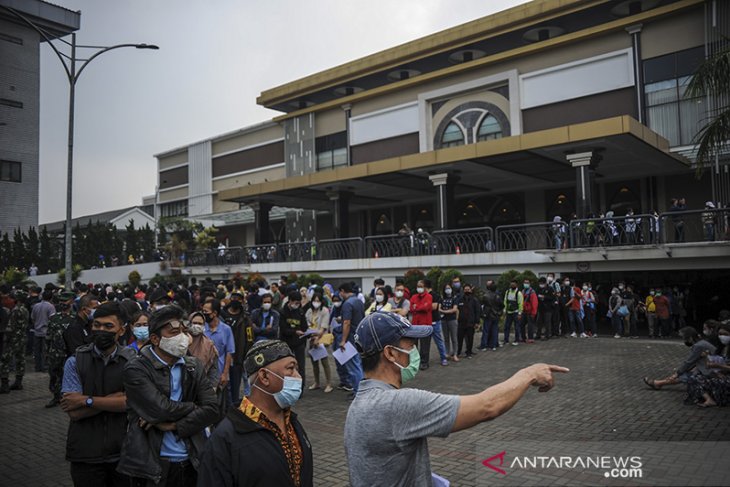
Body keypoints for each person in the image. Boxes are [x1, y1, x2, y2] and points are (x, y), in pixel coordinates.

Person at [345, 312, 568, 486]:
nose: (414, 352)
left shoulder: (360, 403)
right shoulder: (394, 405)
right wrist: (529, 373)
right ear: (391, 353)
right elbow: (487, 406)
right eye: (409, 346)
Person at [118, 305, 218, 486]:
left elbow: (212, 408)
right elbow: (160, 408)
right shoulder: (137, 368)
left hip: (193, 458)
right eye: (174, 332)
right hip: (155, 464)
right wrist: (194, 406)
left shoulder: (193, 366)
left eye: (183, 331)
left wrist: (174, 425)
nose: (182, 337)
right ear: (155, 339)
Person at [197, 340, 313, 486]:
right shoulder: (225, 438)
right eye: (290, 369)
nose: (298, 377)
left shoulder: (292, 423)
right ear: (264, 377)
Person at [60, 301, 136, 487]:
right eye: (97, 325)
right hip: (85, 454)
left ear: (121, 330)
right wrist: (115, 400)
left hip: (124, 453)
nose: (101, 330)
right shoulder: (75, 361)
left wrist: (86, 400)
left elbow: (132, 402)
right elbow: (74, 411)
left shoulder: (132, 361)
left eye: (108, 326)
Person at [643, 326, 716, 390]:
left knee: (685, 375)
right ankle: (659, 383)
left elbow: (689, 362)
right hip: (707, 367)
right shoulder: (701, 343)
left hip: (710, 370)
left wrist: (677, 373)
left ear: (690, 338)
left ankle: (659, 383)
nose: (684, 340)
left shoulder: (698, 346)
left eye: (684, 338)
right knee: (684, 373)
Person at [44, 291, 75, 407]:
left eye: (65, 301)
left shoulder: (74, 318)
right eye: (61, 301)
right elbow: (48, 336)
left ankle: (68, 397)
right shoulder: (53, 318)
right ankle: (56, 396)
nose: (62, 303)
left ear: (71, 302)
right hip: (55, 353)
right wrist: (47, 352)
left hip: (69, 353)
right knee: (54, 374)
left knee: (68, 376)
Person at [0, 290, 30, 394]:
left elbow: (10, 328)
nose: (7, 300)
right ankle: (18, 382)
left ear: (15, 300)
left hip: (13, 339)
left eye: (10, 298)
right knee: (20, 359)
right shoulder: (25, 310)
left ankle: (4, 384)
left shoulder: (15, 311)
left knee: (4, 360)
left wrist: (5, 337)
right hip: (22, 338)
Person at [225, 299, 253, 405]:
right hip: (223, 356)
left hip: (238, 357)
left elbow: (250, 339)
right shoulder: (223, 316)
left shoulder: (245, 319)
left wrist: (246, 355)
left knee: (235, 386)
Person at [338, 282, 365, 395]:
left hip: (350, 338)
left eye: (340, 292)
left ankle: (358, 392)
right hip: (359, 336)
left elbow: (347, 322)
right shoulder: (358, 301)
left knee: (354, 367)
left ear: (343, 291)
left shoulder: (347, 303)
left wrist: (343, 340)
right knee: (358, 364)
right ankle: (358, 390)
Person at [280, 291, 309, 390]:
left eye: (298, 303)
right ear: (290, 301)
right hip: (287, 343)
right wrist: (294, 331)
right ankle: (287, 387)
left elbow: (304, 326)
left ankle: (300, 387)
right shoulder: (283, 312)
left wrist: (306, 333)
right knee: (287, 366)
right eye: (295, 302)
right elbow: (283, 329)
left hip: (299, 343)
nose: (297, 305)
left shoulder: (300, 312)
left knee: (301, 366)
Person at [305, 294, 333, 392]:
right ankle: (316, 382)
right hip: (311, 339)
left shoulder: (324, 311)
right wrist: (311, 336)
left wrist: (317, 337)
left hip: (321, 339)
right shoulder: (309, 311)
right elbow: (306, 324)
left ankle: (329, 384)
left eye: (318, 300)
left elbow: (323, 327)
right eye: (314, 300)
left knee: (325, 362)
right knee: (314, 363)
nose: (316, 303)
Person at [187, 312, 220, 389]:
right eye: (194, 323)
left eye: (200, 323)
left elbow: (213, 369)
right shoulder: (182, 341)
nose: (197, 326)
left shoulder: (209, 345)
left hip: (201, 386)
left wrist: (213, 388)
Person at [409, 280, 433, 369]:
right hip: (415, 324)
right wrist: (418, 307)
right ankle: (415, 362)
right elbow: (411, 308)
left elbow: (426, 307)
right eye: (418, 286)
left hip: (425, 324)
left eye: (421, 286)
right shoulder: (414, 297)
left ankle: (424, 362)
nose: (419, 288)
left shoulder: (429, 296)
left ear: (425, 287)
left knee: (425, 346)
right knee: (414, 345)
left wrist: (417, 307)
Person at [31, 290, 55, 372]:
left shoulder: (36, 306)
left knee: (37, 351)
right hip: (46, 332)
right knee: (45, 350)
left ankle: (37, 367)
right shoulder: (51, 307)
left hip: (37, 331)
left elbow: (32, 318)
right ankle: (44, 366)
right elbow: (53, 319)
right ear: (51, 297)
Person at [456, 283, 480, 358]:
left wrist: (477, 322)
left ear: (471, 290)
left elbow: (477, 311)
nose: (467, 291)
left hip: (470, 323)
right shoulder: (460, 299)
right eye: (465, 289)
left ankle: (468, 352)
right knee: (459, 338)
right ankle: (458, 352)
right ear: (463, 290)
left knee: (470, 339)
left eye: (468, 289)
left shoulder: (474, 300)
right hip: (461, 323)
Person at [479, 280, 502, 351]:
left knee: (486, 331)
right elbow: (502, 305)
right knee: (495, 330)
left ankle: (484, 346)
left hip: (488, 315)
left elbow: (482, 304)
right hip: (496, 315)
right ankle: (494, 345)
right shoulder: (498, 296)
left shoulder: (485, 296)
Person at [440, 283, 459, 360]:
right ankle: (447, 353)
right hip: (444, 320)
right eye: (446, 288)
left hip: (452, 320)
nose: (448, 290)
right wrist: (447, 311)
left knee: (454, 338)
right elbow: (439, 308)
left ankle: (455, 354)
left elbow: (454, 309)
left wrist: (444, 311)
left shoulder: (455, 298)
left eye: (449, 288)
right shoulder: (442, 299)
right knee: (446, 338)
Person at [503, 280, 523, 346]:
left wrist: (520, 313)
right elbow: (505, 301)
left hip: (516, 312)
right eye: (511, 284)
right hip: (509, 312)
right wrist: (504, 310)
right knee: (506, 326)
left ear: (516, 285)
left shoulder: (519, 293)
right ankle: (506, 340)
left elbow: (520, 304)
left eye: (513, 284)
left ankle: (517, 340)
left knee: (517, 327)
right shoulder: (507, 292)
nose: (512, 286)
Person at [521, 278, 538, 343]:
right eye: (525, 282)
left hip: (530, 311)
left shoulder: (532, 292)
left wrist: (533, 313)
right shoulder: (523, 291)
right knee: (521, 324)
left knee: (530, 325)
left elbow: (534, 303)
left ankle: (531, 338)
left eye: (527, 283)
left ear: (529, 284)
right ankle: (523, 338)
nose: (526, 284)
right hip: (524, 311)